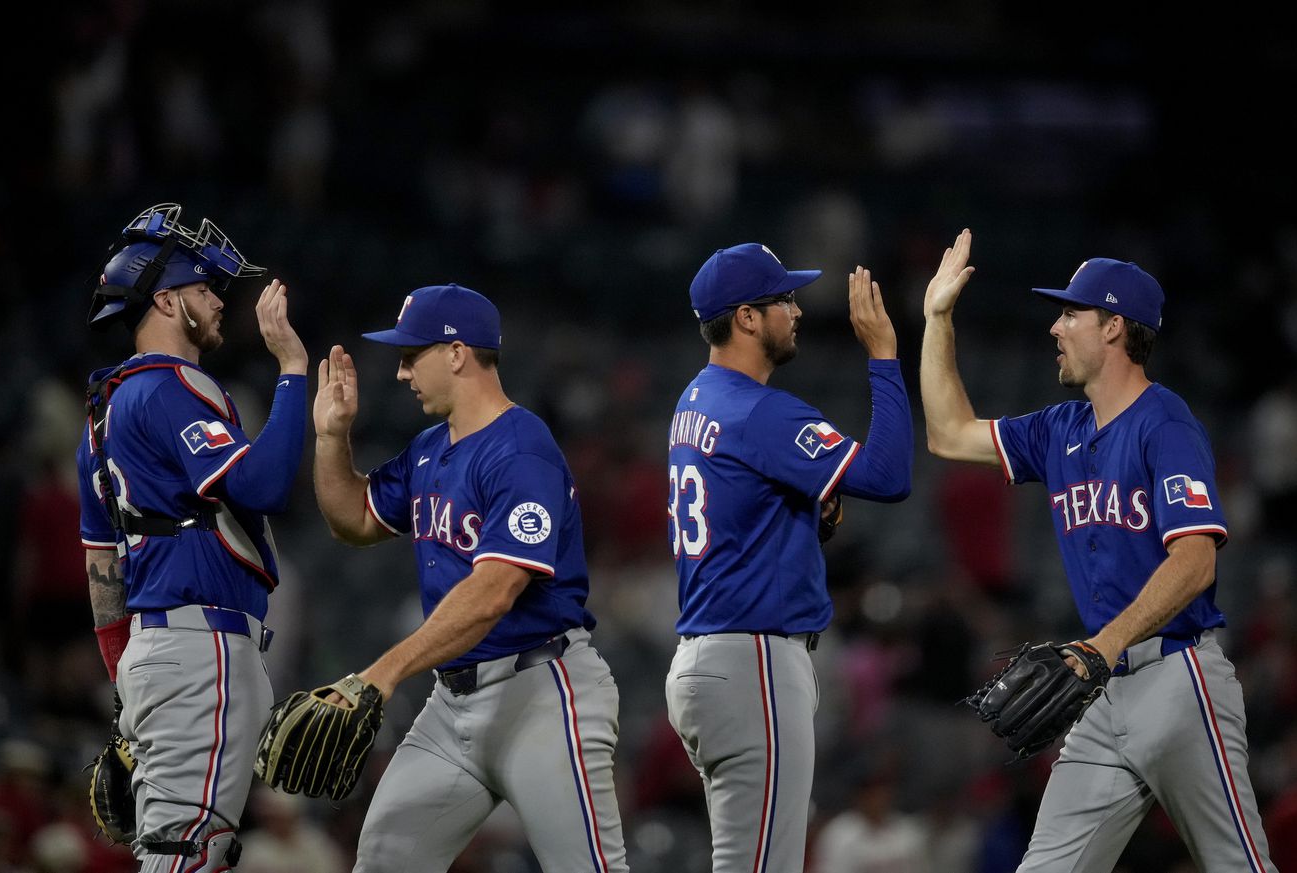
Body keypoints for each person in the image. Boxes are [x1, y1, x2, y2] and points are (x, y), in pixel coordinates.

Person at [919, 229, 1277, 872]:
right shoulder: (1062, 428)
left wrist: (1102, 646)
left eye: (1070, 313)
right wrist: (937, 318)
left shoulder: (1165, 424)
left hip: (1179, 678)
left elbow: (1196, 560)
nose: (1055, 328)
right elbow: (948, 435)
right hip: (1105, 688)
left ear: (1114, 326)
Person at [312, 283, 628, 873]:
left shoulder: (520, 450)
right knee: (383, 857)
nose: (402, 372)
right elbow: (353, 520)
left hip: (542, 693)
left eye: (412, 354)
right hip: (452, 703)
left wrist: (383, 673)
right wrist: (332, 438)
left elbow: (495, 592)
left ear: (457, 353)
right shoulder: (431, 448)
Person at [665, 244, 913, 872]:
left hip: (703, 659)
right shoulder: (760, 409)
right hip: (753, 663)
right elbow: (887, 475)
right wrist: (883, 353)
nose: (797, 311)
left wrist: (803, 515)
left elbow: (741, 506)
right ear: (747, 317)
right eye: (785, 300)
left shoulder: (695, 400)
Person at [77, 203, 308, 870]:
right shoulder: (172, 385)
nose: (215, 302)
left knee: (185, 852)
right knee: (186, 856)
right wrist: (292, 368)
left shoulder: (101, 410)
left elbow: (102, 568)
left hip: (155, 650)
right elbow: (263, 488)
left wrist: (132, 681)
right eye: (205, 288)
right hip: (199, 649)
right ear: (170, 298)